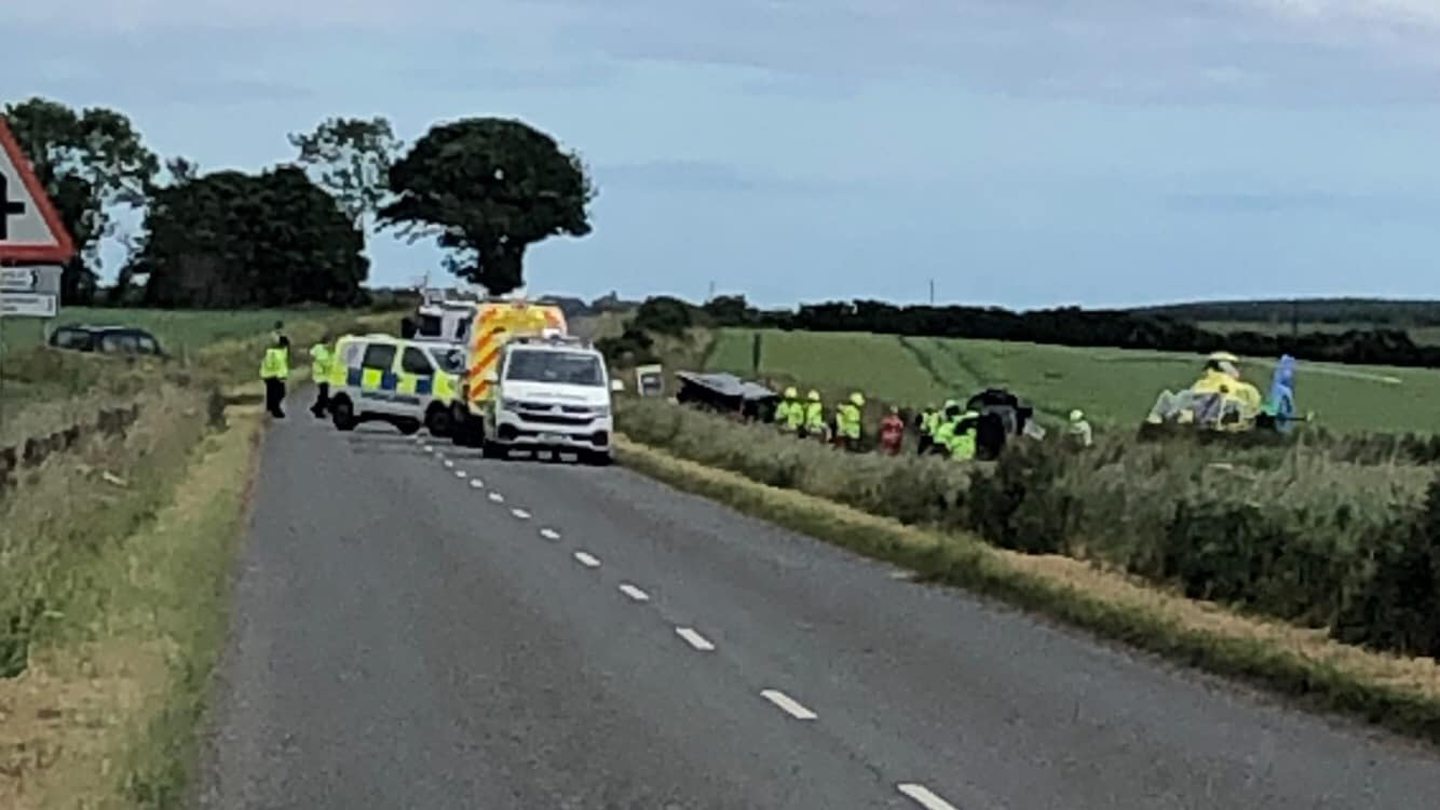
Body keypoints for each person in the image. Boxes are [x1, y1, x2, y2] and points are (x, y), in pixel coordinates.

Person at [260, 336, 290, 418]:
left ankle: (270, 408)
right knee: (279, 393)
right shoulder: (273, 353)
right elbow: (271, 365)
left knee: (271, 393)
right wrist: (280, 375)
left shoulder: (282, 352)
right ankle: (275, 411)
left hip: (272, 375)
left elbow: (282, 366)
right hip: (272, 375)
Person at [309, 336, 335, 418]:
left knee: (324, 394)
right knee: (324, 394)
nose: (331, 344)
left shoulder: (331, 351)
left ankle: (317, 408)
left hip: (327, 375)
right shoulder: (318, 348)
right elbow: (312, 355)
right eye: (330, 342)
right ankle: (318, 410)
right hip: (320, 375)